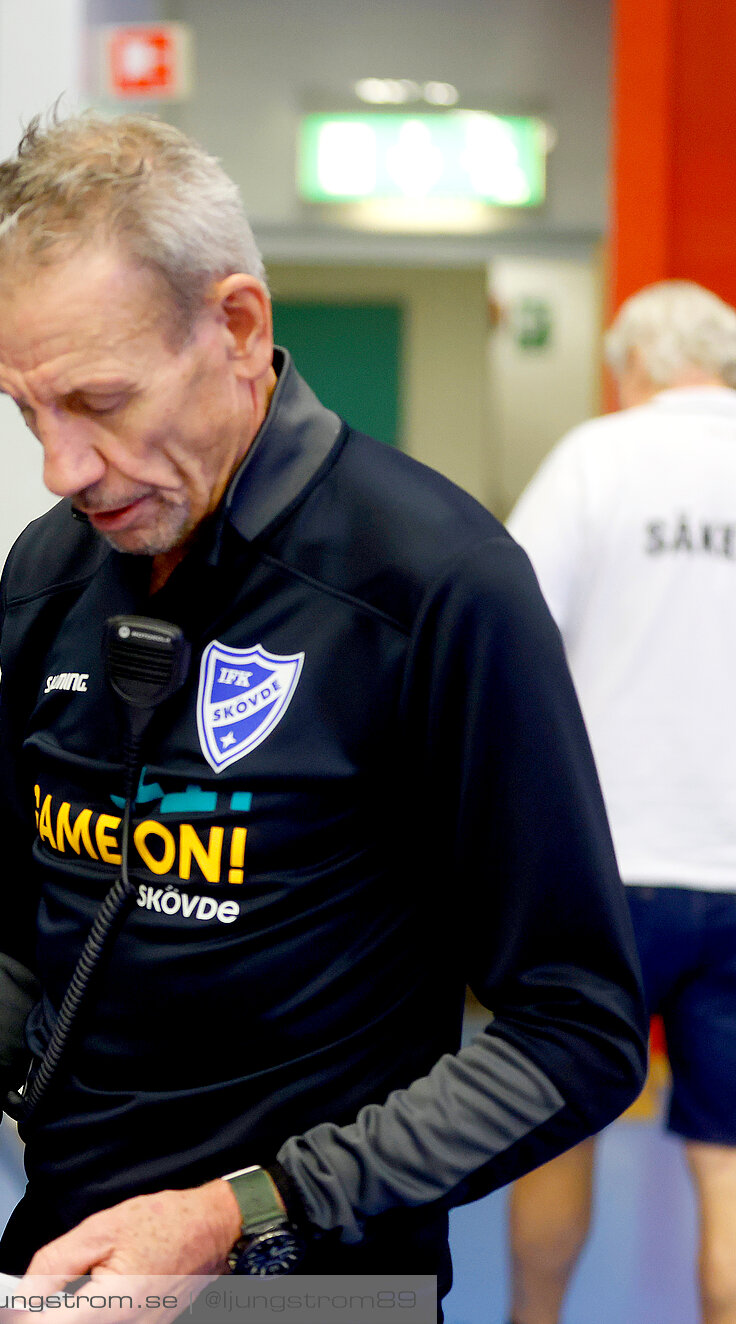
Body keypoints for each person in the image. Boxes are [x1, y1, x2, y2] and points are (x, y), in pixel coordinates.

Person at [0, 112, 648, 1299]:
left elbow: (575, 1030)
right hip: (55, 1269)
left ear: (237, 326)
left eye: (100, 402)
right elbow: (17, 935)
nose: (63, 468)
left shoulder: (433, 585)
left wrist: (240, 1213)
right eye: (27, 409)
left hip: (316, 1281)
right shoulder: (51, 575)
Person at [505, 280, 736, 1324]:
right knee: (728, 1164)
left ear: (630, 364)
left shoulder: (599, 456)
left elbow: (507, 635)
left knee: (558, 1122)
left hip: (601, 871)